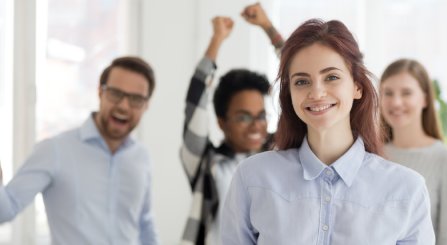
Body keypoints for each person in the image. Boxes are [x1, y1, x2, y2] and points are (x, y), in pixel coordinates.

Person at [220, 19, 435, 245]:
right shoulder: (253, 177)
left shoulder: (406, 190)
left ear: (357, 87)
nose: (317, 93)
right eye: (302, 81)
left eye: (331, 77)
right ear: (290, 93)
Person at [0, 57, 158, 244]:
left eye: (136, 99)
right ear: (100, 92)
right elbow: (5, 211)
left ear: (146, 105)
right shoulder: (55, 150)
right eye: (116, 93)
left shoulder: (141, 157)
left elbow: (144, 223)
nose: (124, 106)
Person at [179, 3, 283, 245]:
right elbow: (195, 100)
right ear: (221, 122)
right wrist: (217, 40)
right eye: (244, 117)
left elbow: (300, 75)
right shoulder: (205, 163)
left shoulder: (279, 156)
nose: (256, 126)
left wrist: (269, 28)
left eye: (261, 116)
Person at [380, 59, 447, 245]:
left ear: (425, 99)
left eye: (406, 93)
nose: (395, 102)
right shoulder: (371, 156)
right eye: (388, 93)